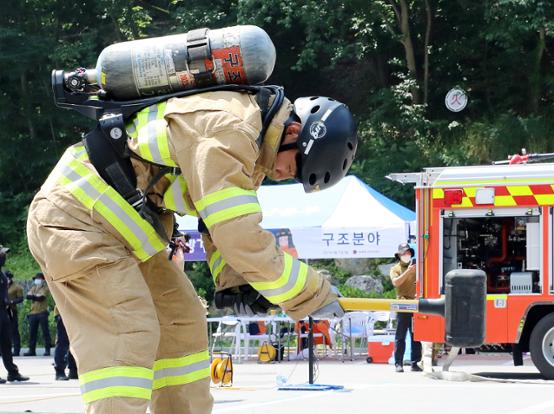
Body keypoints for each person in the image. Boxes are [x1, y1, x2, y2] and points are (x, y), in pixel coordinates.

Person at [27, 83, 357, 413]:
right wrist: (313, 293)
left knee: (182, 322)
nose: (286, 176)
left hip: (124, 232)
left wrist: (235, 282)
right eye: (297, 166)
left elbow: (216, 223)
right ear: (295, 131)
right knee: (128, 332)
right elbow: (240, 237)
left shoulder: (253, 150)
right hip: (76, 219)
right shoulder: (232, 127)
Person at [389, 242, 422, 372]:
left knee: (416, 336)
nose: (406, 255)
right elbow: (396, 283)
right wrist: (408, 272)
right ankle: (398, 363)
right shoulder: (395, 269)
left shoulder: (417, 267)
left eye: (408, 252)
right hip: (402, 304)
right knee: (400, 336)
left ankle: (415, 363)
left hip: (415, 303)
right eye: (403, 253)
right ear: (399, 255)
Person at [0, 245, 29, 383]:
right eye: (2, 254)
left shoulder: (2, 273)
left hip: (4, 311)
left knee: (6, 343)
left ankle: (12, 372)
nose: (4, 257)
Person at [24, 272, 52, 356]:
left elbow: (41, 298)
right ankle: (31, 350)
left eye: (38, 278)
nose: (37, 280)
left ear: (43, 280)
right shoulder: (34, 287)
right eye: (36, 279)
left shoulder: (45, 288)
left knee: (45, 332)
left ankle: (47, 350)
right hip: (33, 312)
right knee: (32, 333)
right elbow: (27, 296)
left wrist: (34, 296)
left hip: (42, 312)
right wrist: (35, 296)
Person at [53, 306, 77, 381]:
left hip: (76, 313)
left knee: (76, 341)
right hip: (63, 311)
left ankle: (73, 370)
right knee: (62, 342)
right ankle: (60, 372)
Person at [6, 270, 24, 356]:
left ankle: (16, 350)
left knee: (14, 330)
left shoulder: (17, 287)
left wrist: (12, 302)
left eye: (8, 277)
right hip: (2, 310)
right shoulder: (2, 285)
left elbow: (20, 298)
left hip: (11, 310)